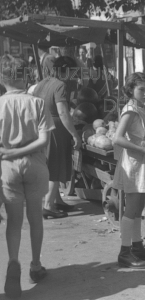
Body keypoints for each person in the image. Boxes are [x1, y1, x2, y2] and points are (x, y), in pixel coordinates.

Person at [0, 55, 54, 298]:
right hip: (35, 165)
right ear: (26, 76)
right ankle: (35, 265)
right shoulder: (38, 103)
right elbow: (44, 140)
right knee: (35, 218)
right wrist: (22, 151)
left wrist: (10, 152)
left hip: (7, 168)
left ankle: (13, 261)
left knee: (13, 220)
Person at [112, 72, 145, 269]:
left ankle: (137, 246)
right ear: (131, 90)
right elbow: (117, 138)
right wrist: (143, 150)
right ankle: (125, 252)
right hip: (133, 164)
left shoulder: (142, 108)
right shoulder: (131, 110)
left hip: (142, 161)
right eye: (141, 89)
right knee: (132, 208)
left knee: (139, 206)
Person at [33, 56, 82, 218]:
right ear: (66, 70)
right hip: (56, 129)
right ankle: (48, 206)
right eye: (72, 72)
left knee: (49, 164)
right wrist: (75, 134)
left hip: (41, 126)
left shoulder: (42, 83)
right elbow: (62, 112)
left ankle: (57, 200)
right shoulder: (60, 85)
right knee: (56, 166)